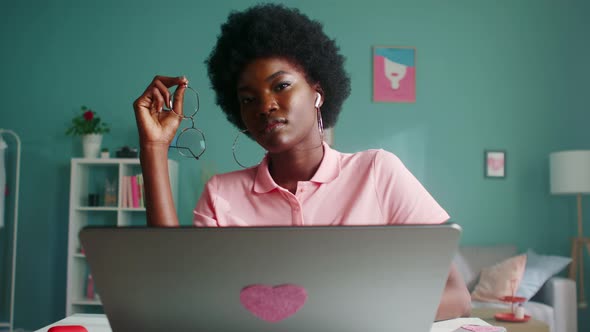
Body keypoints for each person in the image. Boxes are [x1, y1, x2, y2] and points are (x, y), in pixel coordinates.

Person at [133, 3, 471, 320]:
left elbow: (456, 296)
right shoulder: (222, 194)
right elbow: (178, 293)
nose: (265, 105)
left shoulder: (378, 172)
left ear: (317, 92)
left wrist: (349, 318)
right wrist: (153, 146)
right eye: (248, 99)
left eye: (280, 85)